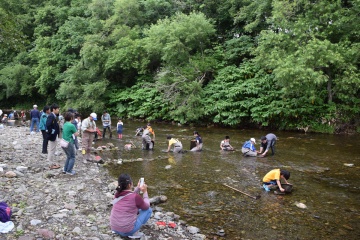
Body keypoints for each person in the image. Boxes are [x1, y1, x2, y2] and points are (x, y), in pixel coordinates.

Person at [110, 173, 152, 238]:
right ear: (130, 184)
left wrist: (138, 188)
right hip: (127, 231)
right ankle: (134, 231)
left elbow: (129, 196)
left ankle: (123, 229)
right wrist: (145, 192)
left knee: (135, 209)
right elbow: (146, 206)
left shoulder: (116, 194)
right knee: (148, 210)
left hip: (114, 228)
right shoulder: (135, 197)